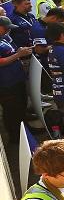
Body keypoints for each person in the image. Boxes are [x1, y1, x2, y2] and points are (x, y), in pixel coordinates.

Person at [0, 15, 32, 170]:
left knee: (20, 107)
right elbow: (2, 61)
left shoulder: (4, 38)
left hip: (16, 80)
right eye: (5, 28)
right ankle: (14, 137)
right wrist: (18, 55)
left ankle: (23, 131)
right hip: (6, 84)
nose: (7, 31)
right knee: (12, 109)